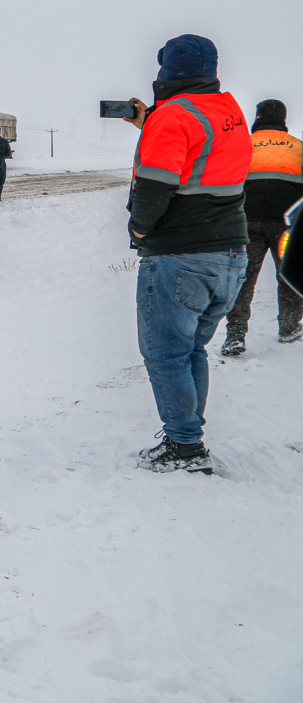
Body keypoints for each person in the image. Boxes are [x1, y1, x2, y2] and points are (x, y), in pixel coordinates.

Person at [124, 34, 251, 474]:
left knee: (165, 353)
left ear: (167, 72)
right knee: (190, 350)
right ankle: (187, 437)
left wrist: (138, 228)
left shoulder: (172, 117)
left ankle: (185, 448)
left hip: (181, 256)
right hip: (230, 254)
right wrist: (152, 124)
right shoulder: (228, 112)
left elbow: (154, 189)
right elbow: (201, 156)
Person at [220, 100, 303, 355]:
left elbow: (226, 181)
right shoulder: (298, 147)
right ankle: (289, 327)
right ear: (283, 119)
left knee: (243, 277)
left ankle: (235, 334)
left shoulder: (244, 144)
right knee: (288, 274)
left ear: (257, 117)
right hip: (287, 223)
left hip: (247, 221)